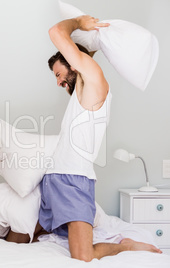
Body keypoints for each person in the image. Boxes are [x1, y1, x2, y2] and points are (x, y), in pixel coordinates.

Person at [35, 15, 162, 261]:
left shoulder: (94, 80)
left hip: (74, 180)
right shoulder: (80, 90)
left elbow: (56, 32)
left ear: (74, 64)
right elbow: (86, 51)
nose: (59, 81)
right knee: (24, 238)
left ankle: (125, 245)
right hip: (53, 179)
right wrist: (89, 39)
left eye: (59, 74)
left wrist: (80, 22)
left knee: (82, 256)